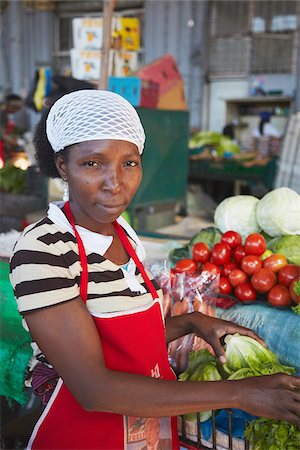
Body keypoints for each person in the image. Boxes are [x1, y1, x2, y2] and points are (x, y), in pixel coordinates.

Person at [9, 90, 299, 450]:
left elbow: (121, 343)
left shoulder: (124, 234)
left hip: (150, 435)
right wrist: (238, 393)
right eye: (93, 164)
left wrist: (191, 321)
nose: (116, 182)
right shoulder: (45, 249)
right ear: (62, 166)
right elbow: (93, 388)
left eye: (129, 163)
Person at [0, 94, 23, 163]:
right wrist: (15, 142)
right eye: (16, 107)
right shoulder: (2, 114)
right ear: (9, 105)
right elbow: (3, 134)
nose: (16, 110)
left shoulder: (7, 114)